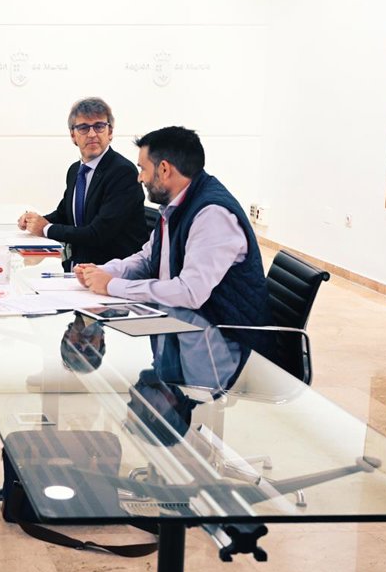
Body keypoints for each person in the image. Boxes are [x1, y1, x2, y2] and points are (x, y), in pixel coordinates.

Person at [74, 126, 269, 381]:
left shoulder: (212, 215)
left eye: (143, 169)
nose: (139, 178)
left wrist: (112, 286)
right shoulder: (178, 205)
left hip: (220, 356)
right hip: (182, 333)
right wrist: (103, 272)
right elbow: (148, 257)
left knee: (118, 383)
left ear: (164, 169)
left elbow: (189, 292)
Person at [18, 97, 148, 269]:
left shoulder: (122, 172)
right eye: (84, 128)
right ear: (73, 135)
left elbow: (98, 233)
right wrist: (34, 221)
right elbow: (65, 215)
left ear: (110, 132)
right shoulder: (75, 170)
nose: (92, 134)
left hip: (112, 271)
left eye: (99, 126)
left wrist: (45, 228)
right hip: (80, 267)